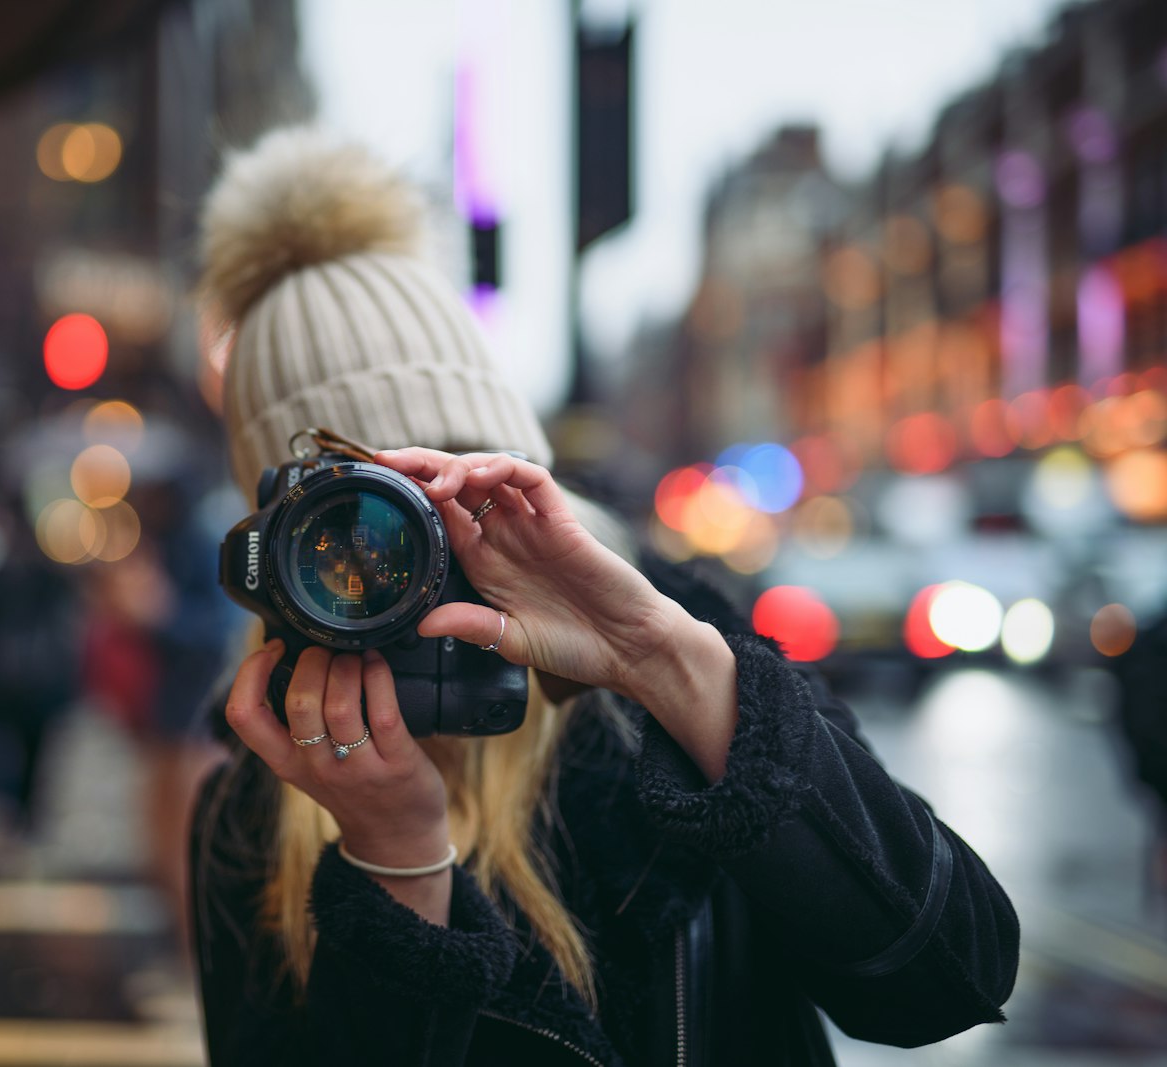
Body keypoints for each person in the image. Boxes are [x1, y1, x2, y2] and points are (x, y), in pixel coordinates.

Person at [189, 127, 1018, 1066]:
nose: (407, 565)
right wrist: (395, 853)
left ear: (520, 475)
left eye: (454, 497)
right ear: (278, 554)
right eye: (349, 533)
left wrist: (670, 663)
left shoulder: (674, 694)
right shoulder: (255, 809)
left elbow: (953, 975)